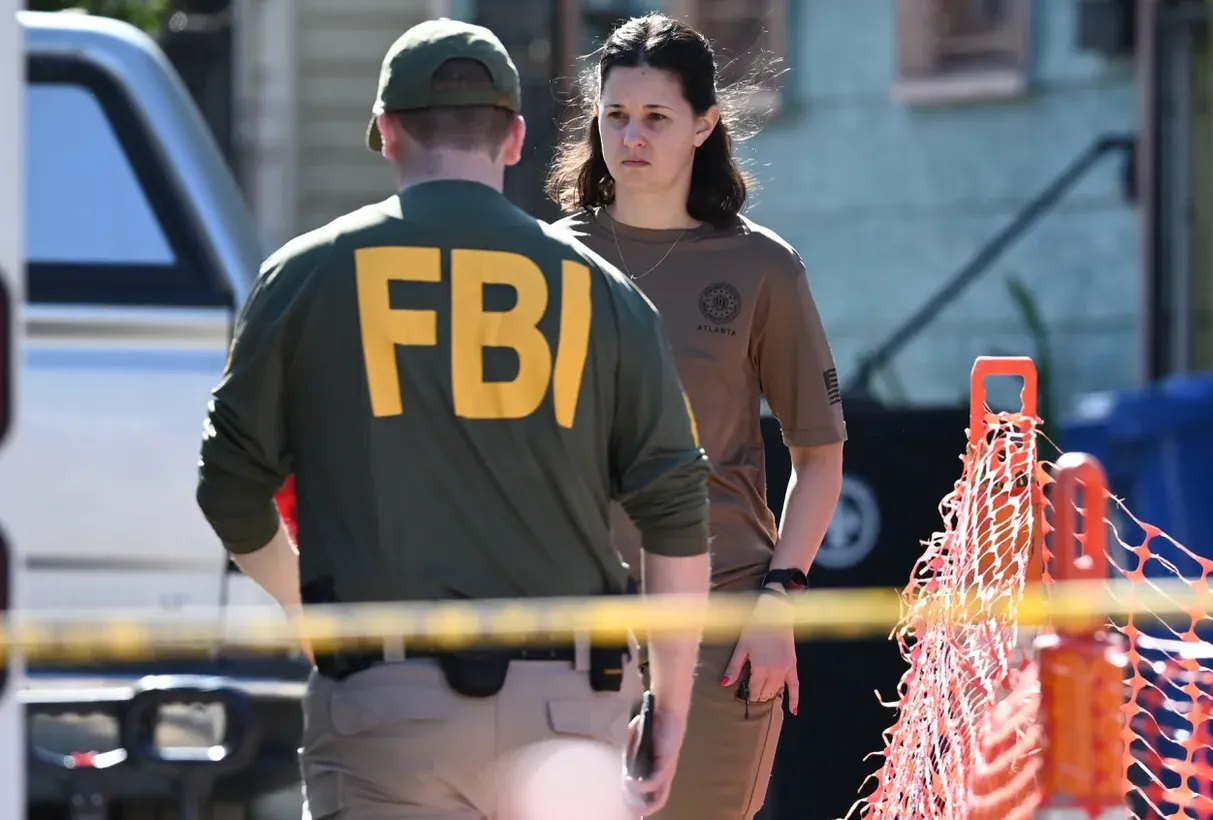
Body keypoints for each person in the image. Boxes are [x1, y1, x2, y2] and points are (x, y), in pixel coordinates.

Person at [196, 18, 711, 819]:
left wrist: (308, 608)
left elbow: (228, 487)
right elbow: (677, 516)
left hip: (382, 705)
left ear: (387, 133)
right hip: (569, 714)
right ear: (513, 138)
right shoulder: (608, 295)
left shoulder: (305, 277)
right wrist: (672, 709)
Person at [547, 13, 847, 820]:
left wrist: (780, 599)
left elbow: (820, 456)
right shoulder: (542, 264)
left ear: (705, 124)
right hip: (569, 629)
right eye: (614, 115)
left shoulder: (763, 268)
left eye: (655, 118)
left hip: (721, 618)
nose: (629, 137)